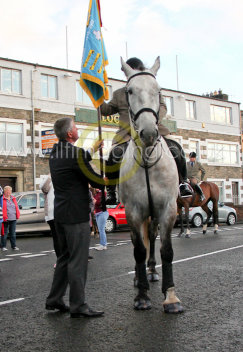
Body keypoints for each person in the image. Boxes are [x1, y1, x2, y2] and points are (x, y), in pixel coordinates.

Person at [100, 57, 190, 204]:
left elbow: (162, 107)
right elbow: (106, 110)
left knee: (177, 149)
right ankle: (111, 192)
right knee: (114, 156)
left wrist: (152, 120)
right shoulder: (119, 93)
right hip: (127, 135)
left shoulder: (152, 86)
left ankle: (183, 183)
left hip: (153, 128)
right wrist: (97, 97)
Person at [45, 117, 106, 318]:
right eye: (76, 127)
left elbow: (75, 163)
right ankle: (78, 305)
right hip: (76, 215)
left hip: (60, 214)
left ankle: (54, 299)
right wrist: (108, 177)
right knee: (78, 261)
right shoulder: (76, 154)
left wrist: (92, 151)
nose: (78, 129)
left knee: (64, 258)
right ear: (70, 133)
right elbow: (96, 181)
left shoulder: (55, 154)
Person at [40, 174, 61, 264]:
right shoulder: (48, 179)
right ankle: (60, 260)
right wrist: (50, 175)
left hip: (63, 213)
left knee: (66, 238)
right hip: (52, 214)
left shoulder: (62, 177)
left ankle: (67, 259)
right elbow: (44, 188)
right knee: (57, 238)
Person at [0, 186, 20, 251]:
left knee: (13, 233)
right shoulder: (1, 199)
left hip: (13, 218)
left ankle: (13, 246)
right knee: (4, 233)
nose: (8, 192)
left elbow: (16, 207)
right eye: (7, 191)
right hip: (5, 219)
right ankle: (3, 246)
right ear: (4, 192)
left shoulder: (13, 198)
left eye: (9, 191)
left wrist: (17, 214)